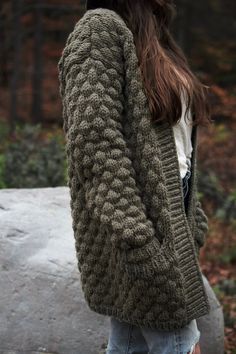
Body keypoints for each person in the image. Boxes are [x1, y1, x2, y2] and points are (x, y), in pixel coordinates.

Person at [58, 1, 213, 353]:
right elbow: (95, 144)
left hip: (168, 227)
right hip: (141, 230)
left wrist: (194, 220)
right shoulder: (98, 29)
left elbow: (176, 146)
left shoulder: (153, 34)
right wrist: (138, 240)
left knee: (128, 344)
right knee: (181, 345)